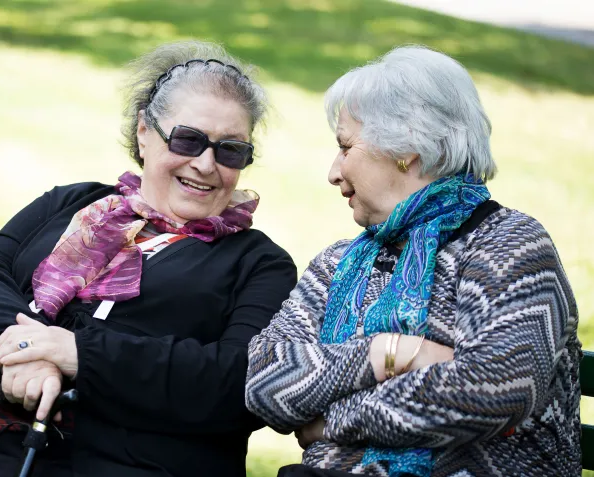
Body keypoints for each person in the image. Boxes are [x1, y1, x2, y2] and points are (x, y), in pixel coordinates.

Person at [0, 40, 297, 477]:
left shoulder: (259, 264)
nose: (207, 164)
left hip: (131, 463)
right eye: (189, 140)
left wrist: (80, 354)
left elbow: (236, 380)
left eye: (230, 149)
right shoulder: (73, 204)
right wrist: (33, 358)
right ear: (144, 131)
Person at [244, 45, 580, 477]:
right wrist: (389, 352)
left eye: (345, 147)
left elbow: (494, 390)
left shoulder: (508, 247)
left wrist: (333, 421)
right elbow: (263, 380)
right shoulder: (338, 264)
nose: (332, 172)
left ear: (406, 150)